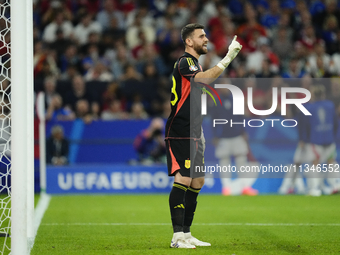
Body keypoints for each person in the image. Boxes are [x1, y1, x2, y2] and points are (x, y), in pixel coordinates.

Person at [165, 23, 242, 248]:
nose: (206, 39)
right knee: (184, 178)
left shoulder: (194, 63)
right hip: (181, 130)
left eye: (206, 35)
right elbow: (204, 80)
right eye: (201, 36)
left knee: (197, 181)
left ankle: (187, 233)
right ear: (189, 41)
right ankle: (177, 237)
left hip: (194, 131)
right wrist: (229, 56)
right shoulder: (185, 61)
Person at [300, 85, 340, 196]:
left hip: (315, 140)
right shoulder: (330, 106)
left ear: (313, 95)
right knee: (331, 162)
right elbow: (336, 123)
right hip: (329, 139)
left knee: (315, 164)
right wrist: (333, 135)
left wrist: (305, 139)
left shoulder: (309, 108)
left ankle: (315, 189)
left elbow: (305, 126)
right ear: (323, 95)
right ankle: (336, 185)